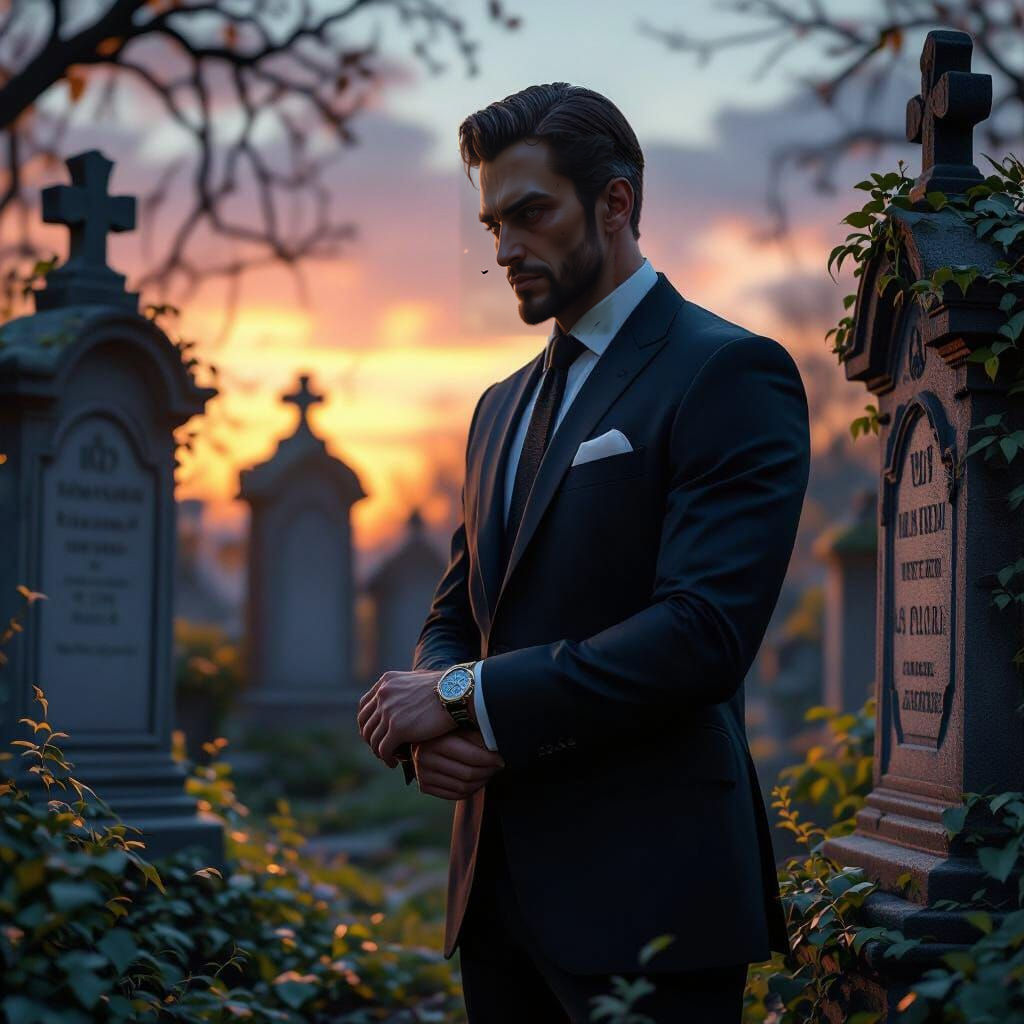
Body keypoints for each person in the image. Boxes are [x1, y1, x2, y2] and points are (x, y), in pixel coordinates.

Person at [357, 82, 809, 1023]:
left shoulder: (729, 370)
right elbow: (457, 612)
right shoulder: (496, 407)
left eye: (530, 214)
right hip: (495, 894)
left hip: (651, 895)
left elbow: (700, 634)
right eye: (490, 224)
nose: (505, 248)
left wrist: (462, 698)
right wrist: (446, 712)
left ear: (616, 203)